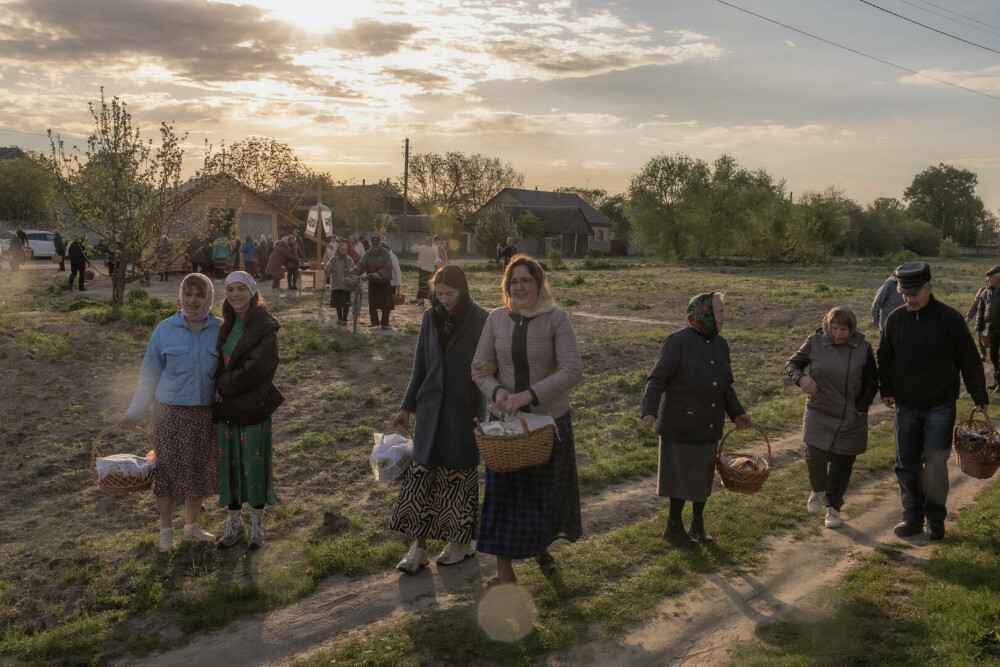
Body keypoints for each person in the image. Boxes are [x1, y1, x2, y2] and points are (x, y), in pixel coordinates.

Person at [472, 255, 584, 585]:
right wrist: (497, 394)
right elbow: (478, 367)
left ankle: (540, 549)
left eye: (526, 280)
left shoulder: (556, 319)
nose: (519, 287)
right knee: (502, 499)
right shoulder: (495, 319)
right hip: (505, 427)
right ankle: (504, 574)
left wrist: (528, 396)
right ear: (507, 287)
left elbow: (572, 369)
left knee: (542, 495)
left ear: (538, 283)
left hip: (547, 425)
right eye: (513, 282)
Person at [878, 261, 988, 541]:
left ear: (929, 287)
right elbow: (885, 357)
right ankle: (912, 518)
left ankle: (935, 520)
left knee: (936, 461)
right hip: (907, 405)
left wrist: (979, 396)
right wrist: (887, 389)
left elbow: (969, 359)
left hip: (940, 404)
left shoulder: (950, 320)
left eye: (915, 292)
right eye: (905, 292)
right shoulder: (895, 319)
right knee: (906, 464)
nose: (909, 298)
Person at [389, 265, 490, 572]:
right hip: (430, 409)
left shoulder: (482, 319)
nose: (444, 299)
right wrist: (406, 407)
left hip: (464, 410)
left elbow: (491, 364)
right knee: (420, 479)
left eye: (450, 293)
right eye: (440, 293)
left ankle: (461, 543)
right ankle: (417, 548)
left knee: (458, 478)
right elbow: (419, 365)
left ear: (463, 290)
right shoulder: (428, 318)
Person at [117, 273, 221, 551]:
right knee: (167, 473)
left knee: (197, 470)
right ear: (180, 295)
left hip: (204, 414)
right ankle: (166, 530)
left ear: (209, 297)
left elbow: (229, 370)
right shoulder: (165, 329)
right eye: (188, 294)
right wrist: (135, 413)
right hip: (170, 414)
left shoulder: (221, 329)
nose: (192, 300)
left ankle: (191, 526)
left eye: (199, 295)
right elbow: (149, 374)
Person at [640, 292, 752, 546]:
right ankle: (673, 526)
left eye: (723, 311)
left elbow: (726, 387)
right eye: (720, 311)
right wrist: (649, 410)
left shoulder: (721, 344)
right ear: (704, 314)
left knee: (702, 475)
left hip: (709, 422)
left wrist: (737, 414)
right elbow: (657, 379)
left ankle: (697, 524)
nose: (724, 316)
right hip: (681, 422)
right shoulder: (678, 342)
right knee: (680, 477)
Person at [785, 307, 879, 529]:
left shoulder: (863, 348)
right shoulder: (815, 342)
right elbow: (792, 364)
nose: (838, 334)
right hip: (820, 409)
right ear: (828, 326)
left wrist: (861, 407)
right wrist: (801, 379)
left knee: (842, 462)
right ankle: (818, 489)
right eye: (834, 328)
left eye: (843, 329)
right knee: (814, 455)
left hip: (850, 414)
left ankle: (833, 507)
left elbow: (871, 381)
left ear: (852, 329)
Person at [214, 271, 284, 549]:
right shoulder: (226, 325)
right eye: (230, 290)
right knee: (229, 466)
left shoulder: (264, 325)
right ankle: (234, 523)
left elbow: (259, 367)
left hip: (253, 406)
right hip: (228, 409)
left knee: (253, 465)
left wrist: (223, 385)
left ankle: (256, 523)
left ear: (253, 291)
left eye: (241, 289)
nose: (235, 295)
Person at [355, 235, 394, 329]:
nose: (375, 247)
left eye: (376, 245)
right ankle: (374, 321)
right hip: (372, 281)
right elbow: (362, 263)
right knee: (372, 302)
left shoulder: (385, 253)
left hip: (384, 281)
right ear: (371, 245)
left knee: (385, 303)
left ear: (380, 245)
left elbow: (388, 266)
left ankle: (385, 323)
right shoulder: (368, 253)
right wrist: (355, 270)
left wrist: (379, 273)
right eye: (373, 245)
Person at [976, 266, 1000, 390]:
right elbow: (981, 314)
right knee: (994, 356)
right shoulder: (985, 293)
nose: (988, 278)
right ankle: (997, 382)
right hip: (991, 330)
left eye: (991, 276)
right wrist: (979, 330)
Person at [324, 239, 356, 324]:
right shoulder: (334, 259)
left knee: (346, 303)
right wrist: (326, 270)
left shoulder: (349, 259)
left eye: (345, 249)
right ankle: (339, 318)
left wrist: (353, 274)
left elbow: (353, 270)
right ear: (338, 249)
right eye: (342, 249)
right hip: (336, 285)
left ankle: (345, 319)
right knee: (338, 303)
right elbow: (328, 269)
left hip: (346, 285)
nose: (343, 250)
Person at [965, 277, 990, 361]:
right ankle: (983, 354)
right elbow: (974, 305)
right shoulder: (982, 291)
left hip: (994, 320)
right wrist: (968, 317)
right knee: (980, 335)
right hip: (982, 319)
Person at [412, 236, 438, 307]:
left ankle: (422, 301)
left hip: (423, 269)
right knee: (430, 285)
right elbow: (434, 259)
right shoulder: (434, 250)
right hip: (430, 269)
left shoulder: (422, 248)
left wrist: (416, 245)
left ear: (426, 242)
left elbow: (413, 249)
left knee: (422, 284)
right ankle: (431, 301)